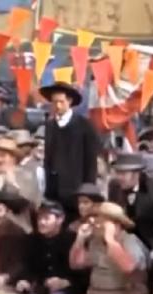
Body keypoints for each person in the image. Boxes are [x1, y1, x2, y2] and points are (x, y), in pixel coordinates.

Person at [70, 202, 150, 294]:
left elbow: (129, 268)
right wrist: (80, 239)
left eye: (100, 219)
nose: (94, 223)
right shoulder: (95, 242)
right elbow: (76, 264)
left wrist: (110, 240)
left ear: (115, 223)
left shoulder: (129, 240)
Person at [39, 82, 100, 218]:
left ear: (69, 101)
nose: (58, 106)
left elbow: (91, 161)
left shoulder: (84, 125)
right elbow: (48, 158)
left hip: (76, 189)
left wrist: (88, 190)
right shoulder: (50, 125)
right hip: (54, 191)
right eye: (54, 102)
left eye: (61, 102)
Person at [17, 201, 87, 294]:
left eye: (46, 218)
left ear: (60, 219)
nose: (41, 222)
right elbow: (27, 266)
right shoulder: (32, 240)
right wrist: (25, 280)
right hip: (40, 288)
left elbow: (83, 272)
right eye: (39, 218)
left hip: (69, 290)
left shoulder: (72, 240)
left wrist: (66, 282)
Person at [108, 153, 153, 251]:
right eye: (117, 173)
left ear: (136, 174)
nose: (119, 177)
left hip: (148, 242)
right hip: (120, 238)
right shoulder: (114, 186)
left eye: (123, 174)